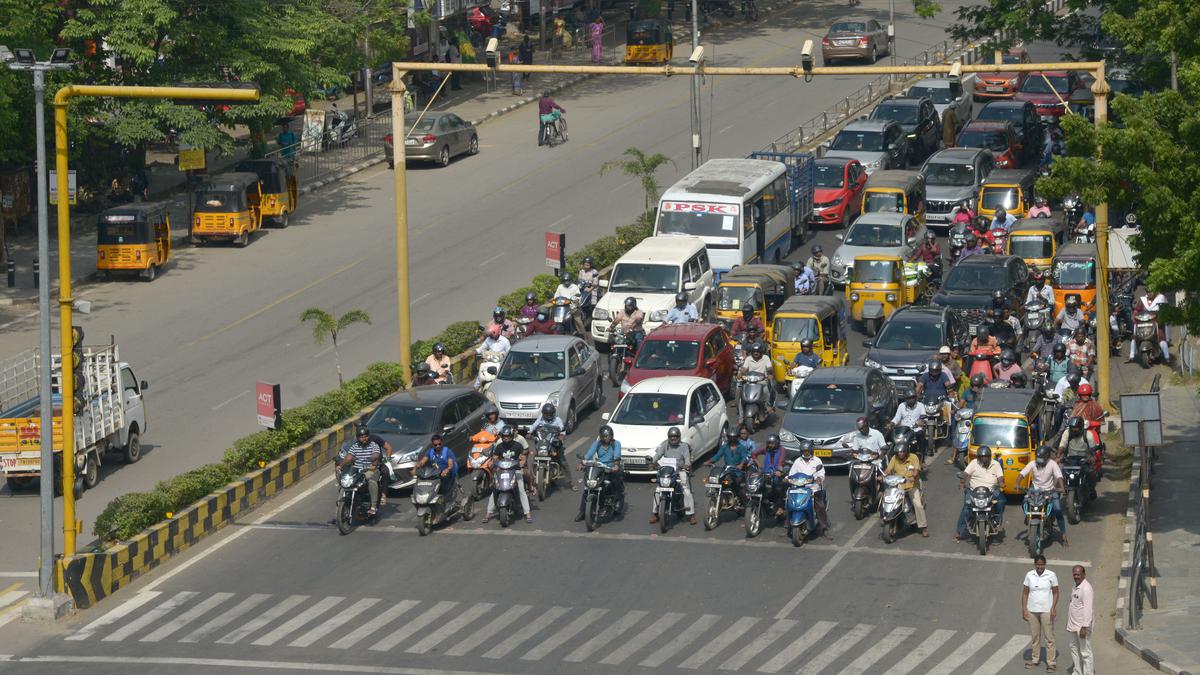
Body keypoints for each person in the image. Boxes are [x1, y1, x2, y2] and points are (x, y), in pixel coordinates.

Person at [483, 426, 533, 524]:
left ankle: (527, 513)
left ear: (511, 436)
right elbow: (495, 458)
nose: (506, 438)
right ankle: (488, 513)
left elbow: (523, 457)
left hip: (515, 471)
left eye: (508, 436)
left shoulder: (518, 445)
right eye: (504, 436)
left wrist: (522, 462)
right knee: (495, 489)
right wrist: (492, 463)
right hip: (502, 471)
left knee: (521, 489)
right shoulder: (499, 446)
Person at [1019, 445, 1068, 544]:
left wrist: (1062, 488)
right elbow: (1022, 473)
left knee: (1057, 509)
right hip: (1035, 489)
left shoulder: (1053, 464)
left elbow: (1059, 476)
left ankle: (1063, 533)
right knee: (1024, 501)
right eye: (1038, 458)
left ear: (1047, 457)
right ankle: (1027, 515)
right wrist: (1017, 484)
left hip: (1049, 490)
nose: (1039, 460)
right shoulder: (1033, 463)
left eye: (1042, 458)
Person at [955, 445, 1005, 541]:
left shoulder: (996, 464)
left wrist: (1001, 483)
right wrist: (962, 483)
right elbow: (965, 474)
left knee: (1001, 501)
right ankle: (959, 531)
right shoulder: (974, 463)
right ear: (978, 457)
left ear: (989, 456)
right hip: (974, 491)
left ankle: (997, 522)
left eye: (986, 456)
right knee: (967, 507)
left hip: (991, 491)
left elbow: (1000, 477)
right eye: (981, 457)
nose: (984, 458)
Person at [575, 425, 623, 521]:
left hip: (611, 467)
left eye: (607, 436)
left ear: (611, 436)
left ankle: (617, 501)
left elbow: (617, 456)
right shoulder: (597, 444)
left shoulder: (616, 444)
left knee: (614, 482)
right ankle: (582, 512)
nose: (606, 438)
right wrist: (582, 463)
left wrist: (616, 465)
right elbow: (589, 455)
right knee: (588, 486)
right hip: (599, 467)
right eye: (604, 436)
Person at [649, 427, 695, 525]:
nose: (673, 438)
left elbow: (687, 458)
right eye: (671, 437)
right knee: (658, 490)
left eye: (675, 436)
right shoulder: (665, 444)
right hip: (667, 472)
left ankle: (691, 514)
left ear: (679, 437)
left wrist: (686, 465)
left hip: (680, 471)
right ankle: (655, 513)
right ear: (668, 437)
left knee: (686, 491)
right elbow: (657, 455)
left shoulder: (684, 446)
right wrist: (652, 462)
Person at [1022, 554, 1060, 670]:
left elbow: (1055, 592)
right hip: (1032, 610)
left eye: (1042, 564)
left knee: (1049, 637)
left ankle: (1051, 662)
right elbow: (1025, 593)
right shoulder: (1029, 575)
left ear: (1045, 564)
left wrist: (1053, 607)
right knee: (1035, 636)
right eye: (1038, 564)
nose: (1040, 567)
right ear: (1035, 564)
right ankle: (1035, 659)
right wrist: (1024, 609)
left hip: (1046, 611)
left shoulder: (1051, 575)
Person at [884, 440, 928, 537]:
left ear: (906, 451)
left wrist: (913, 477)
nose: (901, 454)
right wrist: (883, 475)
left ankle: (923, 527)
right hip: (898, 485)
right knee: (889, 498)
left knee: (918, 505)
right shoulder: (894, 458)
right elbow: (888, 469)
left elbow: (916, 470)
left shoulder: (913, 457)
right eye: (899, 452)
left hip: (912, 485)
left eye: (903, 452)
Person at [788, 440, 831, 538]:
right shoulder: (797, 461)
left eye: (807, 451)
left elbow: (821, 473)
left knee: (819, 506)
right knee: (789, 502)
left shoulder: (817, 461)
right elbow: (791, 474)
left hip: (813, 488)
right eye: (803, 451)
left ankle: (824, 528)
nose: (805, 453)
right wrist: (787, 479)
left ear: (811, 451)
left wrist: (819, 479)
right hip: (799, 488)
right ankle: (788, 526)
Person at [528, 403, 574, 489]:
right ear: (543, 413)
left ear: (553, 413)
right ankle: (532, 481)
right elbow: (534, 426)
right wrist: (529, 433)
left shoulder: (557, 420)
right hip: (542, 442)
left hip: (554, 443)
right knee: (535, 457)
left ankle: (570, 482)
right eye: (546, 414)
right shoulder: (540, 419)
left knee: (561, 460)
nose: (548, 416)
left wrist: (561, 436)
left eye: (550, 414)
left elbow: (562, 428)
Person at [339, 426, 383, 515]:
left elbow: (376, 454)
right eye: (361, 437)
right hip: (357, 470)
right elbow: (348, 457)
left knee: (371, 482)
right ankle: (340, 504)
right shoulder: (354, 446)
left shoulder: (374, 445)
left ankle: (373, 506)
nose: (364, 438)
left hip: (371, 469)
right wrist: (340, 466)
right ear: (358, 437)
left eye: (365, 436)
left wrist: (371, 458)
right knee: (345, 482)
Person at [707, 429, 753, 502]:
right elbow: (718, 455)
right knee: (719, 481)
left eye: (734, 437)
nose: (732, 439)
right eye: (730, 437)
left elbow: (745, 457)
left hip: (738, 472)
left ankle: (741, 501)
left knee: (738, 488)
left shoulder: (741, 447)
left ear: (737, 437)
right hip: (727, 471)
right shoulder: (725, 447)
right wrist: (709, 461)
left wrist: (741, 464)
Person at [413, 433, 459, 508]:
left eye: (439, 444)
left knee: (443, 486)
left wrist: (447, 470)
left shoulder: (447, 451)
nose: (438, 446)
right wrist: (415, 468)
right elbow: (422, 461)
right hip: (435, 473)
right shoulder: (430, 452)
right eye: (435, 445)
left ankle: (446, 501)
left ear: (442, 442)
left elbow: (450, 465)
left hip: (447, 474)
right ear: (432, 444)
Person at [1057, 415, 1098, 499]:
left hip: (1084, 459)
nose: (1074, 430)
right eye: (1072, 428)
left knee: (1091, 473)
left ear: (1081, 427)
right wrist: (1058, 456)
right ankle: (1057, 496)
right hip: (1070, 459)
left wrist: (1093, 457)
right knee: (1059, 474)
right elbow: (1062, 445)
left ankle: (1091, 490)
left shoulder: (1088, 434)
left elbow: (1093, 449)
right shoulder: (1067, 433)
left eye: (1076, 428)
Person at [751, 433, 789, 518]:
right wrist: (759, 465)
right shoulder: (766, 449)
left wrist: (779, 470)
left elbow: (781, 461)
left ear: (777, 443)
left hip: (777, 474)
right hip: (766, 474)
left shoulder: (782, 450)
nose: (770, 445)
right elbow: (753, 454)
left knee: (777, 488)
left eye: (772, 443)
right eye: (768, 443)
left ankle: (780, 507)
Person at [1066, 565, 1095, 675]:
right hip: (1073, 625)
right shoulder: (1075, 585)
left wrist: (1084, 627)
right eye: (1074, 574)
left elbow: (1088, 609)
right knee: (1074, 648)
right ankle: (1077, 671)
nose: (1076, 576)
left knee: (1085, 652)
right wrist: (1069, 624)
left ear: (1084, 574)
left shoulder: (1086, 588)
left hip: (1082, 627)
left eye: (1078, 574)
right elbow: (1073, 605)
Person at [1129, 290, 1170, 363]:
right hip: (1144, 323)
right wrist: (1134, 315)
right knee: (1135, 336)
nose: (1149, 293)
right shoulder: (1143, 300)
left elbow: (1165, 310)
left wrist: (1161, 317)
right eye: (1148, 292)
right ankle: (1131, 356)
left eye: (1151, 291)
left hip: (1156, 323)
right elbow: (1137, 310)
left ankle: (1167, 357)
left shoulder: (1160, 299)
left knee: (1160, 338)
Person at [740, 342, 775, 407]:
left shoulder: (766, 358)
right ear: (752, 352)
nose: (756, 353)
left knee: (766, 392)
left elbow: (769, 368)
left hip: (762, 382)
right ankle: (741, 416)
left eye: (758, 351)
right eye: (754, 351)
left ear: (761, 352)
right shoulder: (748, 358)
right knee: (742, 398)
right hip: (750, 382)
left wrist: (770, 374)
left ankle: (768, 407)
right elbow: (744, 368)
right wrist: (740, 374)